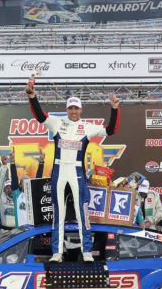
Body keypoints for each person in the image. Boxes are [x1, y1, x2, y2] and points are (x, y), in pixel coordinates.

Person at [26, 78, 120, 263]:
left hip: (77, 171)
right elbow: (39, 116)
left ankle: (86, 252)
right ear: (67, 109)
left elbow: (111, 130)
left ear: (81, 109)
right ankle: (57, 253)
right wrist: (32, 97)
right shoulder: (57, 122)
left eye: (76, 108)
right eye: (71, 108)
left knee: (81, 212)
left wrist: (115, 109)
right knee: (58, 212)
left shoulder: (87, 126)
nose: (74, 111)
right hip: (59, 170)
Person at [0, 148, 45, 231]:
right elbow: (14, 177)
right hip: (20, 231)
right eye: (24, 182)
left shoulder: (33, 195)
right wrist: (12, 161)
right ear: (20, 185)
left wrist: (42, 162)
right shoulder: (17, 195)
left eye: (28, 181)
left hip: (32, 230)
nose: (26, 183)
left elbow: (38, 180)